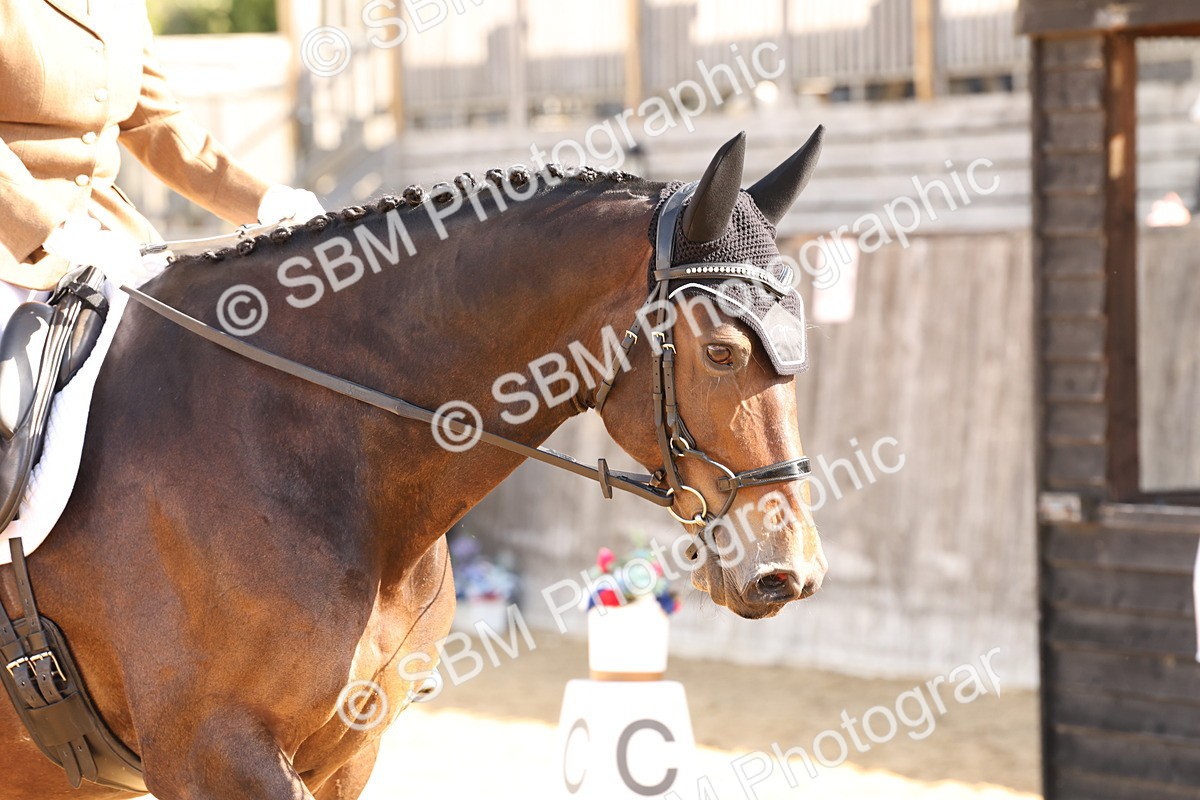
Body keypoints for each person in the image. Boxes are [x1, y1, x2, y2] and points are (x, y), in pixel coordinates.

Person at [0, 0, 323, 322]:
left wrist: (265, 200)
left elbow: (155, 123)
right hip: (11, 238)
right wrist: (57, 229)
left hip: (110, 232)